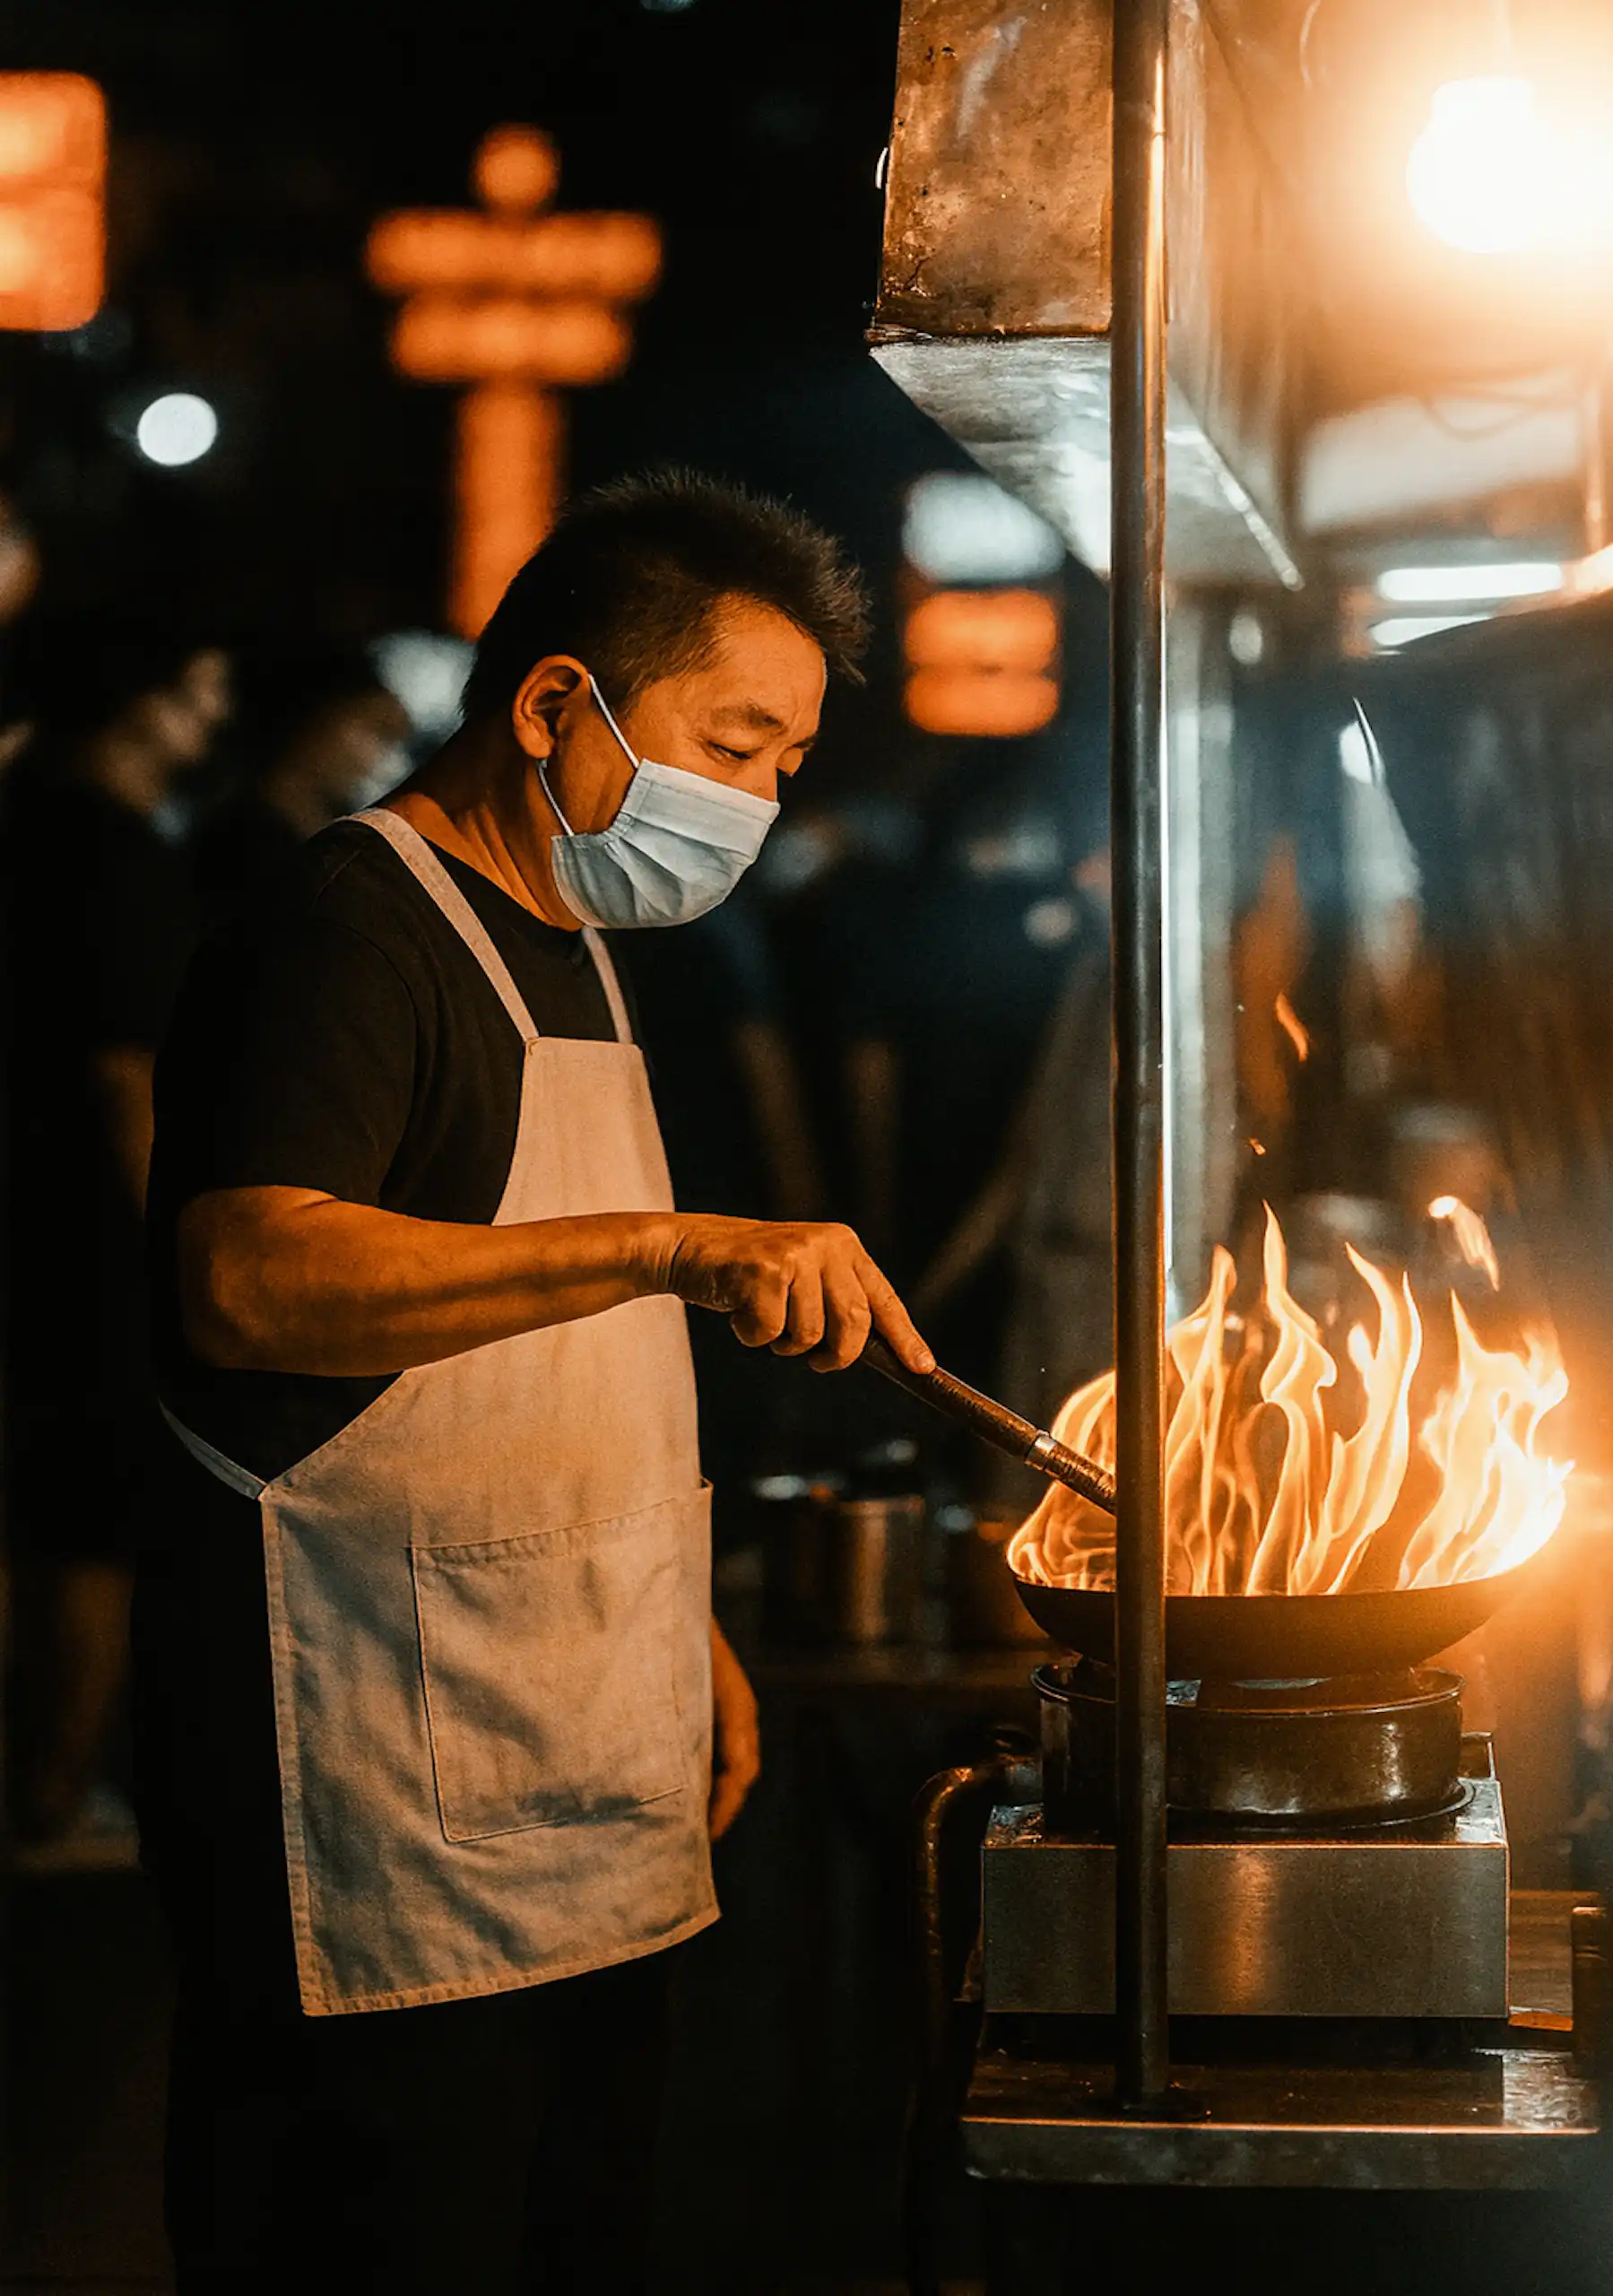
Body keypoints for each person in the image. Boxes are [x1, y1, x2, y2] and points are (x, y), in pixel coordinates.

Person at [140, 471, 932, 2292]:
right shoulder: (351, 921)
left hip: (562, 1747)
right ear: (559, 703)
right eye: (733, 740)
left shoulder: (569, 944)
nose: (756, 798)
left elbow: (563, 1370)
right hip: (369, 1786)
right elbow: (250, 1275)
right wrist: (675, 1243)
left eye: (788, 763)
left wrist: (676, 1631)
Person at [1, 618, 230, 1856]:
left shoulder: (23, 826)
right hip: (93, 1228)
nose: (213, 712)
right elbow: (127, 1080)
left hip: (26, 1213)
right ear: (141, 701)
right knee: (94, 1523)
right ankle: (52, 1790)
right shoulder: (121, 854)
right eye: (198, 685)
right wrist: (175, 1251)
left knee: (27, 1506)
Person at [194, 643, 411, 923]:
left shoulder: (334, 845)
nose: (377, 758)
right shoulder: (243, 843)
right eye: (372, 731)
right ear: (318, 718)